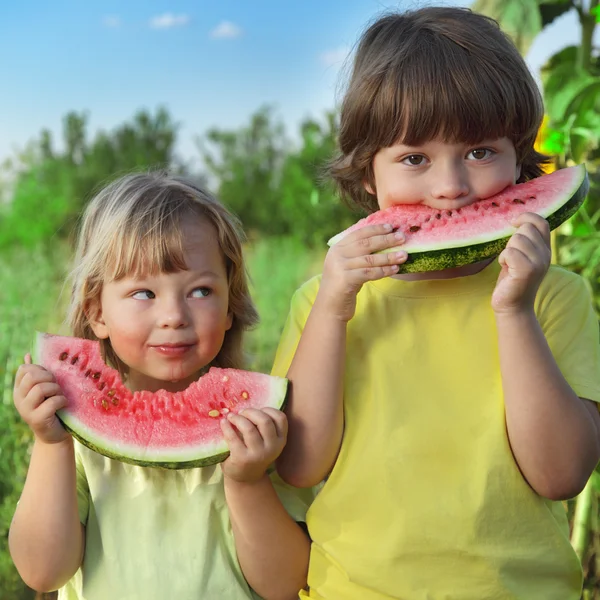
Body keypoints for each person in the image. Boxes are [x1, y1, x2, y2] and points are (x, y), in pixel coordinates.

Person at [272, 6, 600, 599]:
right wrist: (332, 312)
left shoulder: (557, 297)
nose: (449, 188)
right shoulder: (323, 303)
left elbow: (561, 475)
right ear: (367, 175)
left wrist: (514, 311)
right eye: (414, 159)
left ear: (521, 159)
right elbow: (298, 466)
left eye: (479, 152)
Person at [10, 172, 311, 600]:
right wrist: (51, 444)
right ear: (97, 311)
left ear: (231, 307)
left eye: (201, 290)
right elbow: (42, 572)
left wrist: (248, 482)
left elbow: (286, 584)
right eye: (144, 293)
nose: (174, 315)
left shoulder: (257, 430)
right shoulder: (74, 437)